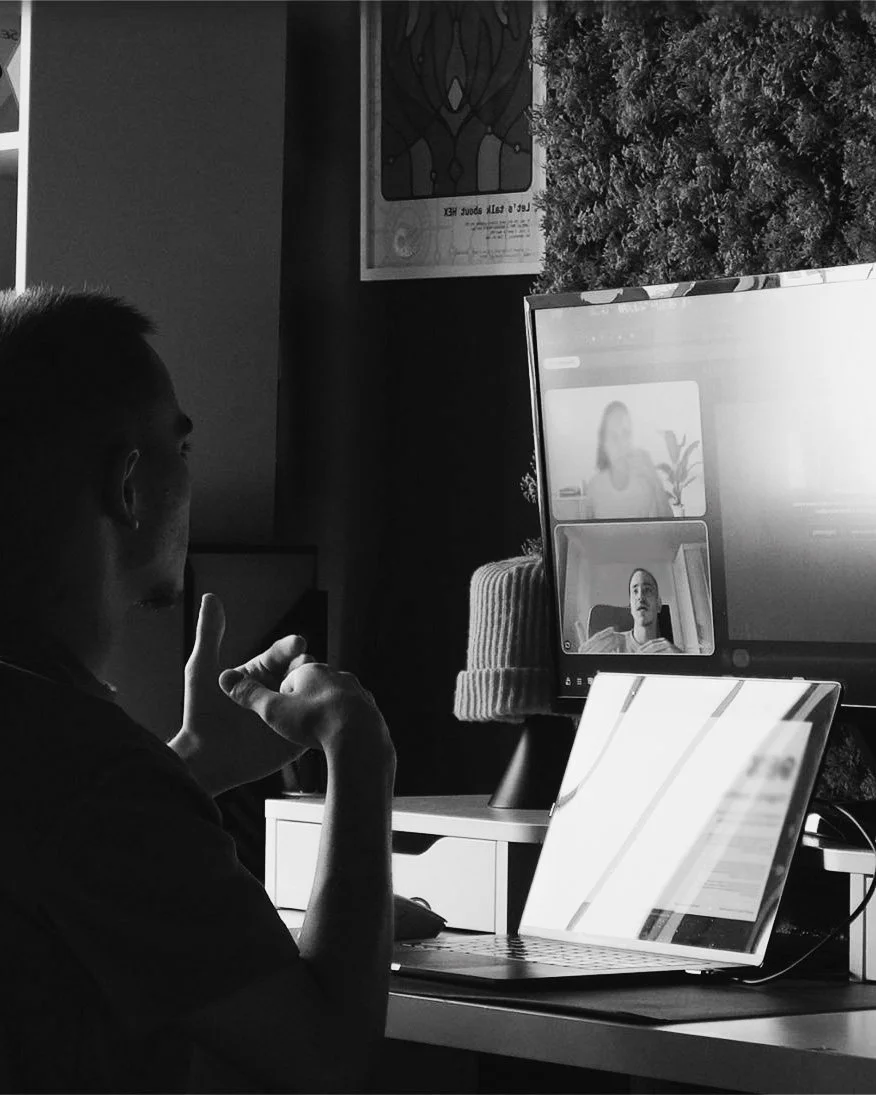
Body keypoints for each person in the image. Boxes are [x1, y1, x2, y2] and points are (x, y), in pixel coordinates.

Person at [0, 287, 396, 1093]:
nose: (190, 473)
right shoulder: (95, 774)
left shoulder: (58, 749)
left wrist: (187, 766)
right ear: (129, 483)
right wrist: (359, 746)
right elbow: (329, 1059)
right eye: (181, 449)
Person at [585, 401, 672, 519]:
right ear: (603, 444)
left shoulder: (646, 481)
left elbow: (670, 528)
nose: (621, 444)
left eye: (625, 434)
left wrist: (654, 479)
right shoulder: (594, 487)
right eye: (614, 436)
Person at [578, 567, 682, 654]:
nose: (640, 597)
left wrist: (683, 664)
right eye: (635, 591)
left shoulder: (671, 653)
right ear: (630, 606)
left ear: (659, 604)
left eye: (647, 590)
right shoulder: (610, 649)